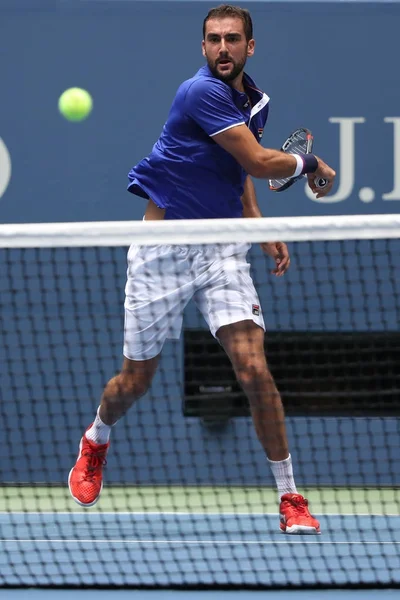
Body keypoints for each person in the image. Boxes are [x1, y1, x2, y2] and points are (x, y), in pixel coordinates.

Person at [68, 4, 335, 534]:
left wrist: (255, 224)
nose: (222, 48)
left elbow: (241, 169)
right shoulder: (200, 93)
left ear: (249, 47)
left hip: (220, 252)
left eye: (232, 39)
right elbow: (260, 160)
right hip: (162, 250)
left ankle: (290, 497)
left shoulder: (252, 99)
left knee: (255, 371)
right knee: (135, 380)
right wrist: (311, 164)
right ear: (203, 46)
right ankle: (97, 438)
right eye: (213, 39)